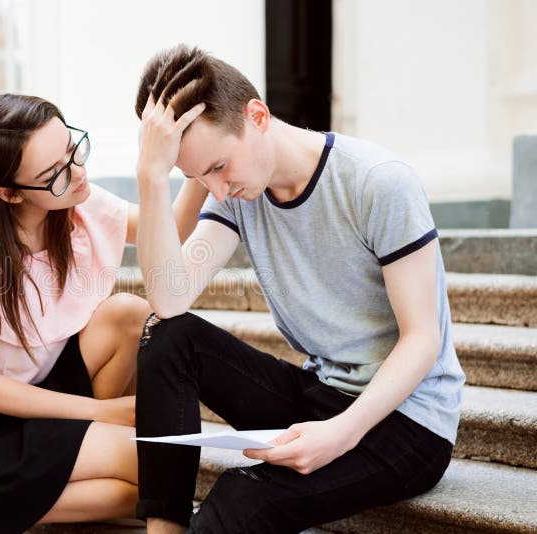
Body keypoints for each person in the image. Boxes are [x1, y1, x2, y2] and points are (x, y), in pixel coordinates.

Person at [132, 44, 466, 533]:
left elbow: (423, 339)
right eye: (198, 177)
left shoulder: (377, 182)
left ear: (258, 115)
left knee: (243, 496)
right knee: (168, 338)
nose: (216, 190)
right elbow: (169, 298)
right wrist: (151, 176)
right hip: (323, 391)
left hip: (408, 422)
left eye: (219, 167)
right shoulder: (237, 194)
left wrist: (339, 435)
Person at [0, 93, 207, 533]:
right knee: (156, 472)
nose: (77, 172)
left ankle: (52, 480)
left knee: (129, 315)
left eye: (71, 149)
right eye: (55, 173)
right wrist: (104, 413)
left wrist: (202, 161)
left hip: (47, 389)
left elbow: (169, 225)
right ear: (8, 192)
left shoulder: (76, 199)